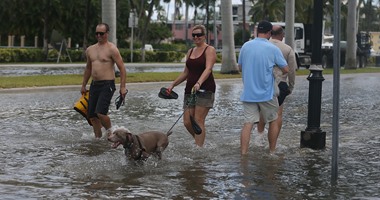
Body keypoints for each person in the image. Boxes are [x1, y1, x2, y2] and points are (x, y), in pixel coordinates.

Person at [238, 20, 289, 155]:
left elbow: (240, 67)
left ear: (257, 31)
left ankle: (244, 154)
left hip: (249, 93)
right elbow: (286, 69)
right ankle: (272, 151)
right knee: (273, 120)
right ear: (269, 33)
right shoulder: (273, 48)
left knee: (247, 124)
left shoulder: (245, 46)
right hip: (267, 92)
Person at [167, 24, 216, 147]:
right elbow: (186, 73)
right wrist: (173, 84)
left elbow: (208, 69)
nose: (196, 37)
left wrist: (199, 82)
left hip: (205, 89)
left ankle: (199, 149)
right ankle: (200, 142)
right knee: (187, 121)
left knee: (198, 120)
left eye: (199, 35)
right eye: (194, 35)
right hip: (190, 90)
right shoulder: (190, 51)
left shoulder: (209, 49)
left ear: (204, 36)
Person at [81, 23, 127, 138]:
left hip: (107, 84)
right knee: (92, 116)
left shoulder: (112, 49)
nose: (98, 36)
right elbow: (88, 68)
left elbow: (122, 68)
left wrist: (122, 87)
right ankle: (98, 139)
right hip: (94, 85)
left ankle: (110, 131)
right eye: (96, 33)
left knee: (100, 113)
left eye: (101, 33)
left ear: (107, 34)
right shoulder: (90, 50)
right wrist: (83, 85)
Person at [255, 25, 297, 145]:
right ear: (282, 34)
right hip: (280, 83)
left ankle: (259, 139)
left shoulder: (261, 46)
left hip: (261, 83)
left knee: (262, 112)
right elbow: (291, 70)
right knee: (277, 115)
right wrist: (291, 86)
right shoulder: (287, 49)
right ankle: (273, 145)